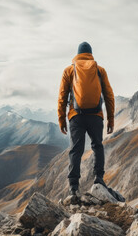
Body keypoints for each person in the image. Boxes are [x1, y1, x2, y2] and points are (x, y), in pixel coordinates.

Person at [57, 42, 115, 196]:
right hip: (96, 116)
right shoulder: (99, 70)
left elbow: (62, 97)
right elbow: (109, 95)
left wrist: (62, 120)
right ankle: (98, 179)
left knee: (76, 150)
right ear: (90, 54)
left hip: (76, 116)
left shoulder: (69, 70)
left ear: (78, 54)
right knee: (97, 146)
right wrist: (110, 120)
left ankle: (73, 187)